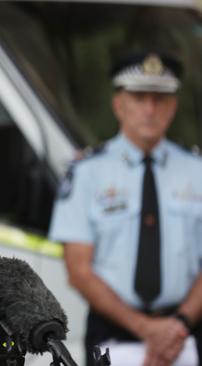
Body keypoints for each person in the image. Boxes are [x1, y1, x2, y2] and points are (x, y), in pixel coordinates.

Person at [49, 51, 202, 366]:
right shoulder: (87, 172)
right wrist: (147, 329)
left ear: (173, 106)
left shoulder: (196, 170)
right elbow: (79, 270)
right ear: (119, 104)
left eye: (160, 98)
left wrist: (179, 325)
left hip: (186, 334)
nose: (150, 109)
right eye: (138, 97)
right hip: (112, 333)